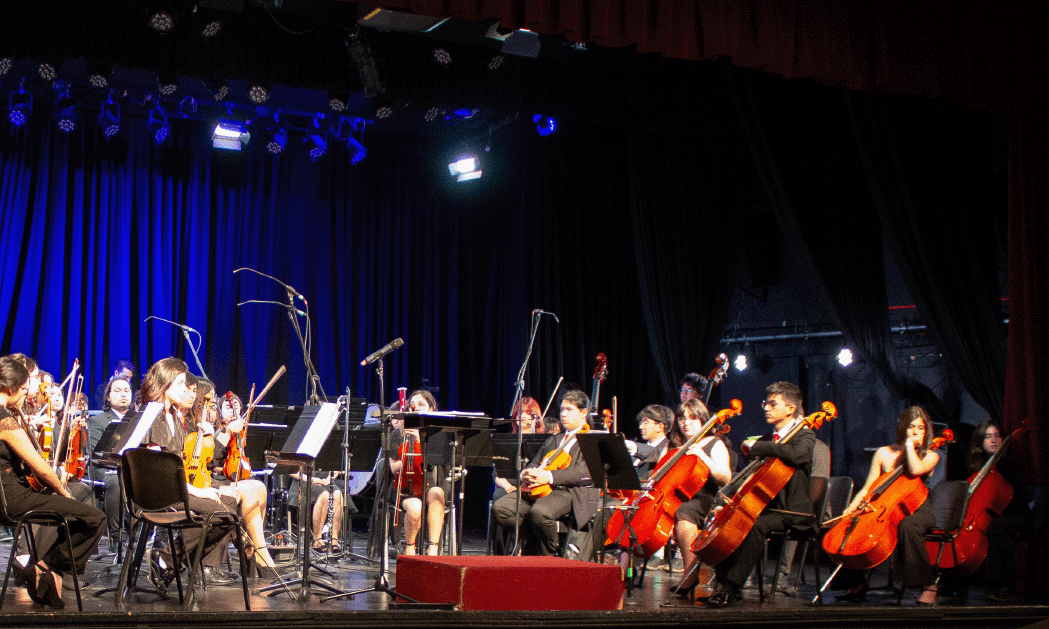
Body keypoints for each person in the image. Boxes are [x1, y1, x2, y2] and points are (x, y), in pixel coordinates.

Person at [0, 355, 106, 609]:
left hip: (8, 495)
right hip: (14, 499)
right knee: (94, 518)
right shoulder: (5, 420)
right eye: (24, 389)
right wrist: (61, 491)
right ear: (11, 387)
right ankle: (42, 566)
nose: (26, 394)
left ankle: (40, 571)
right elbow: (42, 468)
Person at [703, 381, 815, 607]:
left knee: (756, 525)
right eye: (766, 403)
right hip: (763, 506)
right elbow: (748, 476)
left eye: (773, 404)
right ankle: (725, 583)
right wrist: (724, 500)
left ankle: (731, 587)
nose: (766, 408)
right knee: (723, 521)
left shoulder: (804, 435)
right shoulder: (765, 440)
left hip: (791, 511)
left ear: (790, 409)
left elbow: (796, 455)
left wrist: (756, 447)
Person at [135, 358, 242, 592]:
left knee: (231, 503)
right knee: (221, 509)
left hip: (175, 489)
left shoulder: (175, 418)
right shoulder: (152, 415)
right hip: (157, 494)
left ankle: (167, 560)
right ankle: (169, 560)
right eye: (181, 383)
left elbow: (181, 467)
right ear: (164, 384)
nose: (186, 389)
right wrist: (198, 491)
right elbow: (158, 472)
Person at [833, 406, 940, 606]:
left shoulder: (930, 455)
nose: (916, 432)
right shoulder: (884, 453)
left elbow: (915, 469)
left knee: (908, 526)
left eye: (921, 428)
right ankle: (856, 583)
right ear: (902, 428)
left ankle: (928, 584)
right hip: (888, 506)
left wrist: (909, 447)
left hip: (919, 509)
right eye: (911, 427)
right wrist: (852, 507)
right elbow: (868, 487)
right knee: (853, 524)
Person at [491, 390, 599, 556]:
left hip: (569, 491)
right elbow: (535, 461)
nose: (563, 414)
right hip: (540, 488)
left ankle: (546, 555)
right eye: (562, 409)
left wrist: (549, 477)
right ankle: (539, 541)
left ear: (584, 413)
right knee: (501, 508)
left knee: (540, 512)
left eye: (569, 410)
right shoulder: (554, 439)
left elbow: (584, 472)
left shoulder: (592, 438)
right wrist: (526, 474)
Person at [193, 381, 281, 580]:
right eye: (212, 401)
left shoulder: (213, 426)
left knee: (259, 487)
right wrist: (227, 432)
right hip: (203, 482)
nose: (214, 405)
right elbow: (210, 460)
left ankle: (253, 549)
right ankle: (256, 554)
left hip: (214, 478)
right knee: (248, 491)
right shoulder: (199, 426)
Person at [660, 399, 732, 596]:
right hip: (677, 495)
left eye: (693, 418)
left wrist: (702, 455)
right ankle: (624, 570)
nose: (686, 423)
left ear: (703, 420)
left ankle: (690, 574)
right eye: (682, 418)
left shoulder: (714, 443)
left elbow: (725, 478)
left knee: (684, 512)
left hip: (705, 497)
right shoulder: (675, 445)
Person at [967, 421, 1034, 603]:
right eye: (988, 437)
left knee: (996, 527)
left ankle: (1003, 585)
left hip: (1019, 515)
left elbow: (1019, 500)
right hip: (991, 515)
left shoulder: (1010, 463)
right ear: (980, 441)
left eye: (997, 436)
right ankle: (956, 580)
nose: (994, 440)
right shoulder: (979, 467)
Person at [388, 389, 447, 555]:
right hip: (405, 487)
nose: (416, 408)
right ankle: (409, 547)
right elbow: (393, 468)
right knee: (415, 507)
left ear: (431, 409)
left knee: (437, 493)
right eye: (413, 404)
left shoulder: (438, 435)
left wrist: (420, 441)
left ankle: (433, 547)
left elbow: (438, 463)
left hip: (429, 484)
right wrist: (407, 455)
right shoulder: (397, 434)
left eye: (422, 404)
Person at [90, 375, 134, 547]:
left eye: (126, 391)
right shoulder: (97, 421)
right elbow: (95, 456)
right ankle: (116, 537)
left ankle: (136, 533)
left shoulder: (137, 420)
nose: (123, 394)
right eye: (117, 391)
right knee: (117, 479)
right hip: (104, 468)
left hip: (128, 468)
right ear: (108, 397)